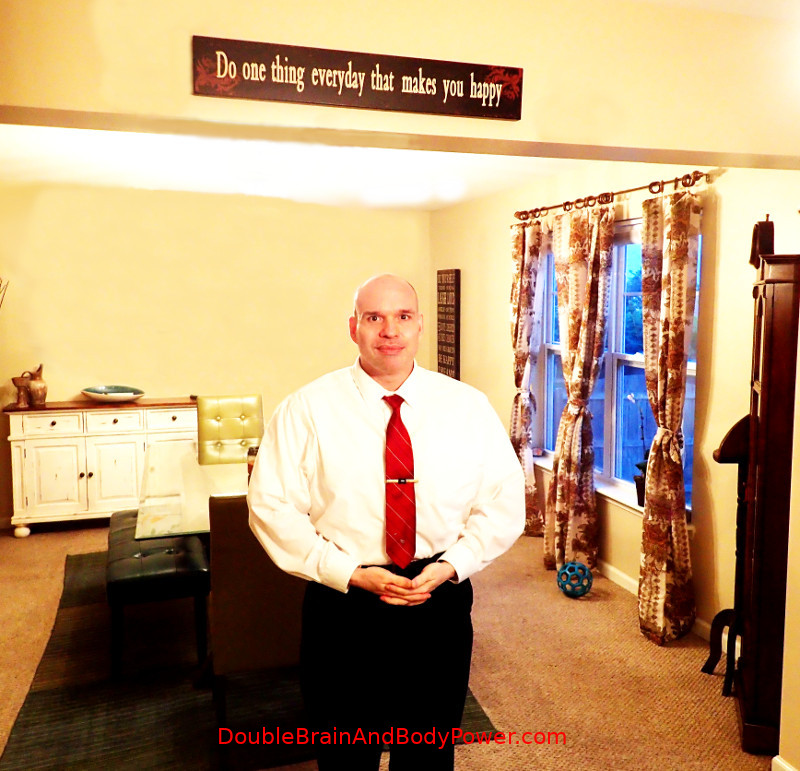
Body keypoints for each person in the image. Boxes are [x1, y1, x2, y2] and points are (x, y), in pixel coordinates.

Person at [248, 274, 524, 770]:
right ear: (354, 328)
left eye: (401, 317)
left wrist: (453, 565)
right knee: (344, 755)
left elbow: (504, 501)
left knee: (428, 755)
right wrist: (349, 573)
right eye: (374, 318)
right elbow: (271, 507)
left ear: (420, 326)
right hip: (344, 603)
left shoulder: (467, 408)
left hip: (437, 597)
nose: (389, 331)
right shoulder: (306, 410)